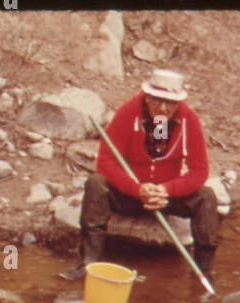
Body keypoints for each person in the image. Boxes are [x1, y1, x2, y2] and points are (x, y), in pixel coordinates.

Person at [59, 69, 220, 284]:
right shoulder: (128, 112)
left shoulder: (189, 120)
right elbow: (106, 161)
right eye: (157, 101)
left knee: (206, 196)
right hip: (130, 193)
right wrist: (137, 190)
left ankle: (203, 271)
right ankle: (88, 262)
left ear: (178, 103)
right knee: (96, 183)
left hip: (165, 196)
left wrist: (166, 190)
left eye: (170, 103)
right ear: (147, 96)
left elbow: (199, 170)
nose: (163, 109)